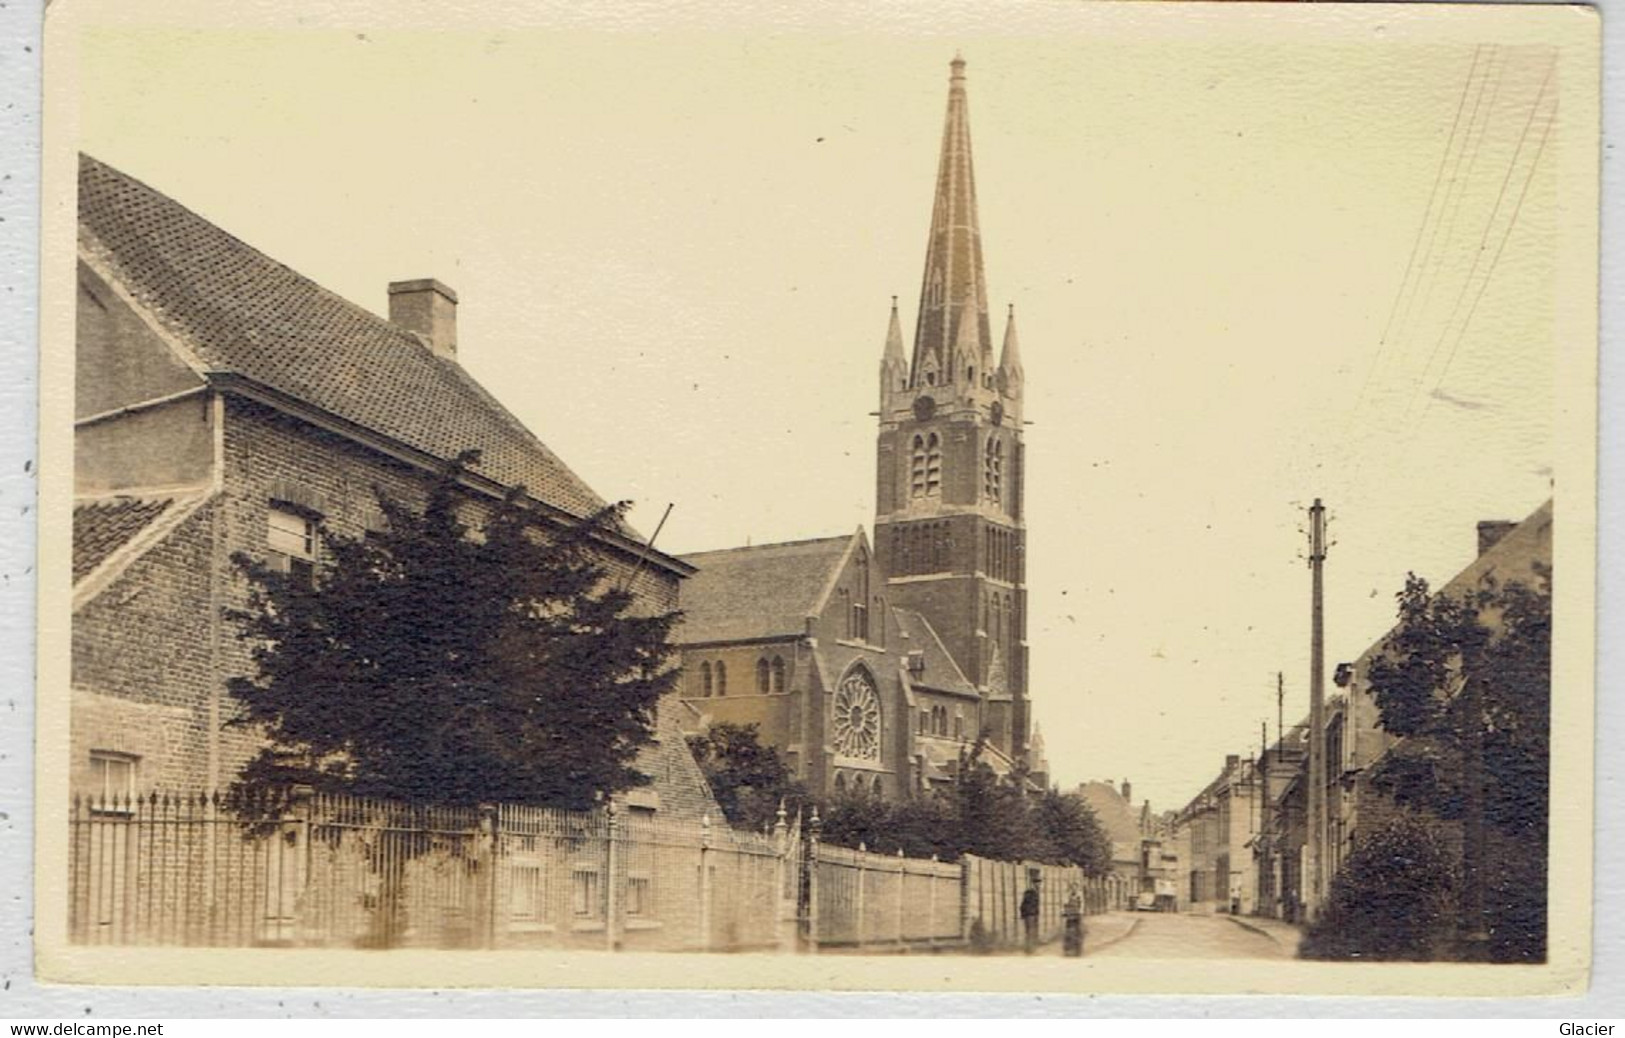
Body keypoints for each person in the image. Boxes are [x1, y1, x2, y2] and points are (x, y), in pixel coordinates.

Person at [1020, 879, 1041, 955]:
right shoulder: (1029, 892)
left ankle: (1031, 950)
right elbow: (1024, 904)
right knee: (1030, 933)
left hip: (1033, 915)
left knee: (1032, 932)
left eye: (1039, 884)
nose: (1038, 885)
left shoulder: (1035, 892)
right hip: (1029, 914)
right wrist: (1024, 914)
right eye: (1037, 884)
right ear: (1033, 884)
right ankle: (1029, 950)